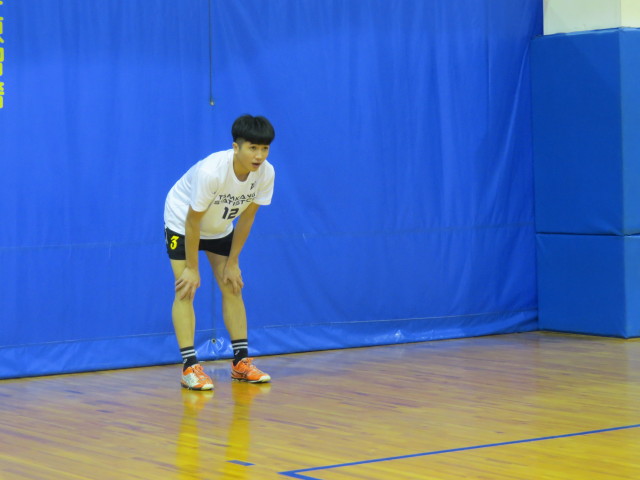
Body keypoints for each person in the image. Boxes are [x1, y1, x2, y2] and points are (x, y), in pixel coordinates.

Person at [164, 114, 275, 390]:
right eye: (252, 148)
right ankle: (190, 367)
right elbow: (192, 221)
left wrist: (233, 261)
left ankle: (241, 363)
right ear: (236, 147)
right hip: (182, 223)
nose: (259, 155)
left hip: (219, 226)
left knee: (232, 285)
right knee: (186, 288)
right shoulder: (212, 172)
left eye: (264, 148)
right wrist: (192, 268)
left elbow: (248, 217)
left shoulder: (266, 173)